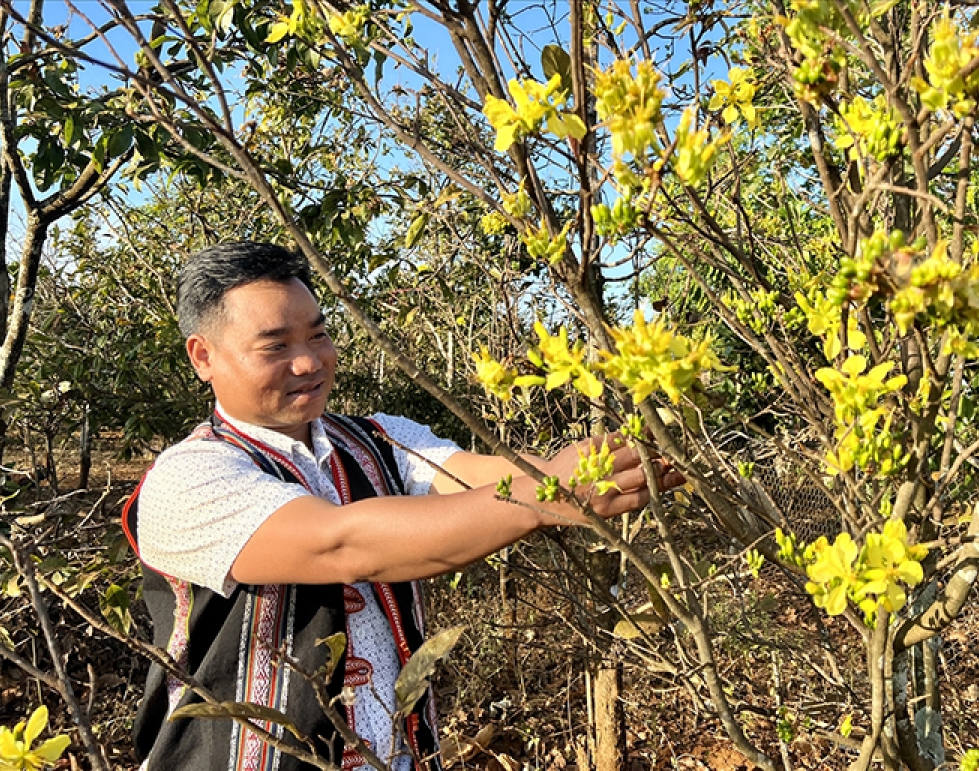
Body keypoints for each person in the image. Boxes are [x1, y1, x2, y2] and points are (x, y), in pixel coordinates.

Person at [122, 242, 681, 771]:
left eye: (318, 337)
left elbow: (477, 479)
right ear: (203, 357)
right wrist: (549, 496)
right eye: (276, 346)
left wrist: (589, 469)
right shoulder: (188, 478)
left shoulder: (380, 438)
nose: (308, 362)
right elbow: (344, 544)